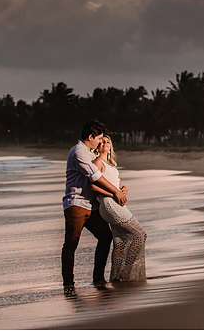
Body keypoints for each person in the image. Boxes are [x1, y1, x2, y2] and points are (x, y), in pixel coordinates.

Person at [61, 120, 128, 292]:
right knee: (71, 243)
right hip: (76, 204)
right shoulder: (79, 152)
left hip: (92, 206)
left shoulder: (91, 153)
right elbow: (95, 176)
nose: (100, 142)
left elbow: (105, 174)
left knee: (105, 237)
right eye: (99, 138)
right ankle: (68, 284)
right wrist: (116, 192)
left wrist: (120, 187)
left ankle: (98, 278)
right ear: (90, 137)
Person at [94, 135, 147, 282]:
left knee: (120, 241)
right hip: (109, 205)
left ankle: (116, 276)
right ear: (97, 146)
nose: (105, 143)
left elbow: (114, 183)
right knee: (140, 235)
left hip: (116, 203)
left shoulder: (110, 164)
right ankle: (127, 272)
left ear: (111, 146)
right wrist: (113, 193)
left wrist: (123, 188)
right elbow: (92, 186)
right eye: (102, 142)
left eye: (108, 142)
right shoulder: (97, 162)